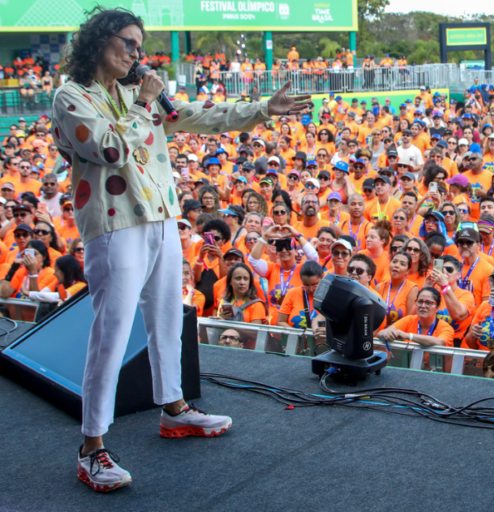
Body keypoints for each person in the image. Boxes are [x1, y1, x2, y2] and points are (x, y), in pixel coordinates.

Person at [54, 8, 311, 490]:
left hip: (160, 220)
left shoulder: (139, 95)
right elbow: (109, 149)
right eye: (128, 43)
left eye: (138, 44)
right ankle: (92, 448)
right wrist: (142, 103)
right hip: (114, 227)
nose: (136, 52)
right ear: (98, 44)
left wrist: (262, 110)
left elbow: (199, 117)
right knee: (111, 336)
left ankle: (174, 409)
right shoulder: (72, 97)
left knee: (170, 319)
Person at [378, 287, 455, 347]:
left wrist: (408, 336)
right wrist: (385, 335)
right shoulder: (409, 320)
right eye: (420, 302)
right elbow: (381, 333)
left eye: (428, 303)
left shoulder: (446, 328)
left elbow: (440, 342)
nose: (423, 306)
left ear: (437, 307)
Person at [276, 261, 322, 328]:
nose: (311, 289)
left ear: (322, 277)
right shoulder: (293, 293)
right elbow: (280, 322)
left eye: (314, 284)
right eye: (306, 285)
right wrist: (297, 335)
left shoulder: (329, 295)